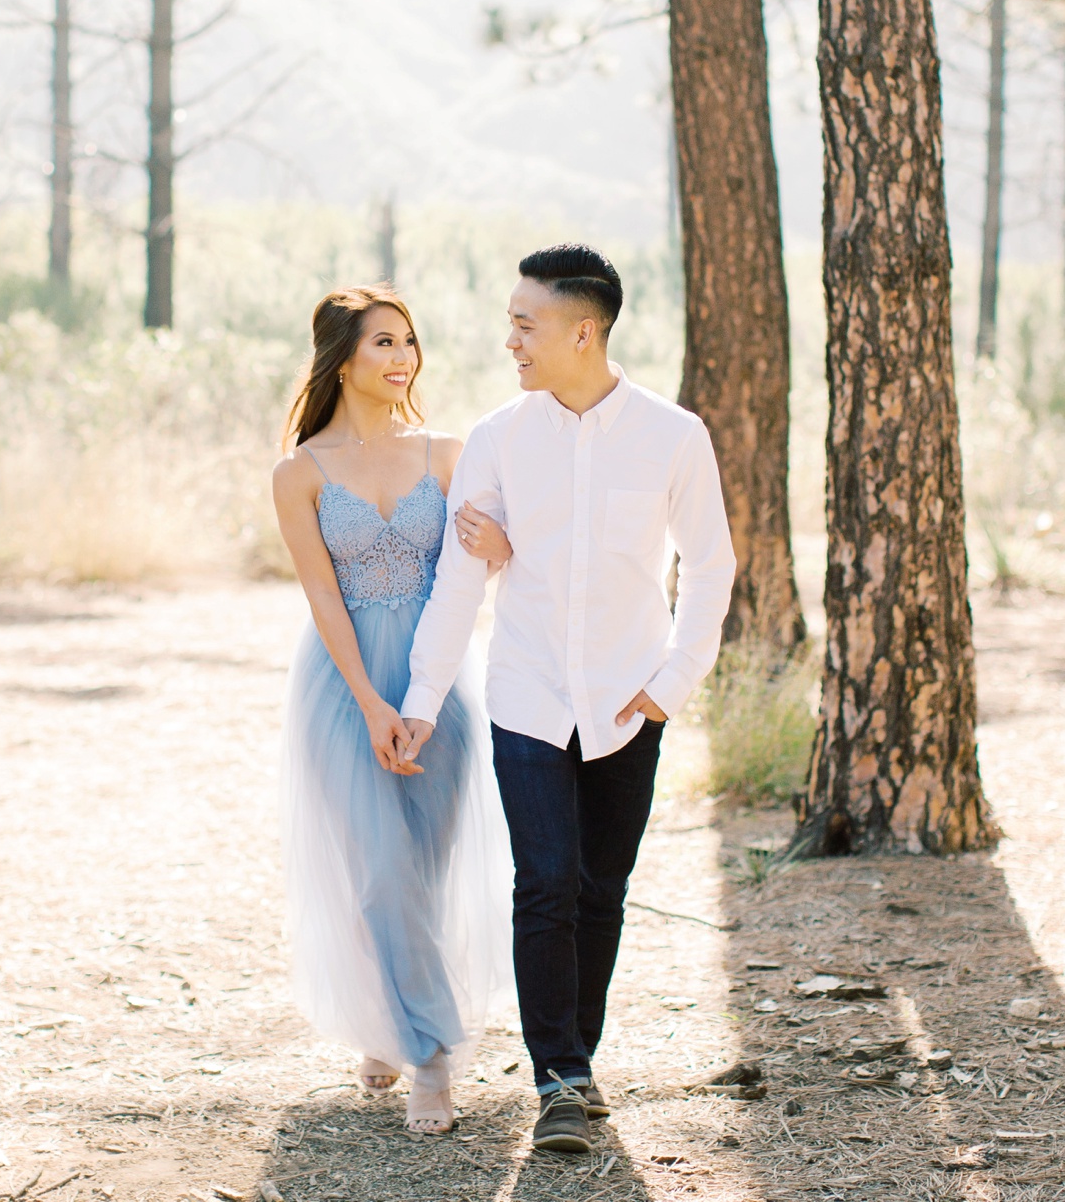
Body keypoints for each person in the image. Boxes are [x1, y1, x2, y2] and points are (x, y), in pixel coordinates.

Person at [399, 244, 736, 1154]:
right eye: (510, 323)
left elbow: (710, 566)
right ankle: (559, 1077)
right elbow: (458, 583)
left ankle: (577, 1059)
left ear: (583, 332)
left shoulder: (674, 436)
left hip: (631, 700)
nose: (510, 340)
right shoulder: (497, 438)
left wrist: (672, 683)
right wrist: (424, 697)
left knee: (601, 888)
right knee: (545, 882)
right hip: (528, 693)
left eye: (526, 324)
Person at [271, 285, 514, 1137]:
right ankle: (431, 1055)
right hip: (346, 689)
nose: (403, 357)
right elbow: (322, 598)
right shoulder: (299, 474)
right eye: (383, 342)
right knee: (377, 870)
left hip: (438, 684)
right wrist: (372, 704)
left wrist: (502, 550)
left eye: (409, 342)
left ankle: (387, 1021)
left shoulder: (449, 454)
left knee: (424, 870)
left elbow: (485, 562)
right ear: (341, 358)